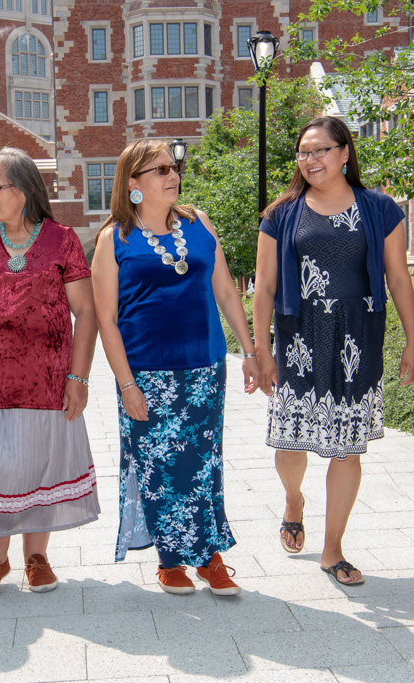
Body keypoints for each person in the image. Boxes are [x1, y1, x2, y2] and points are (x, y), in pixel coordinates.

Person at [252, 116, 414, 587]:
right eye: (303, 153)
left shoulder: (379, 208)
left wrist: (413, 338)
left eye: (320, 150)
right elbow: (263, 286)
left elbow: (398, 278)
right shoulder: (281, 214)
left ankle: (333, 549)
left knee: (346, 449)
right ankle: (293, 500)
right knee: (290, 445)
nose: (310, 160)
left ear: (345, 153)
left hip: (356, 338)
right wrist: (261, 347)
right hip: (298, 339)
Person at [93, 140, 259, 596]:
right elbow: (105, 318)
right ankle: (170, 560)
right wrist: (126, 383)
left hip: (205, 365)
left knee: (203, 464)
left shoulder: (197, 223)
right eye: (160, 169)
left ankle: (208, 556)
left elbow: (225, 291)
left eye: (174, 166)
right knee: (158, 466)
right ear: (133, 184)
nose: (173, 175)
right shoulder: (114, 239)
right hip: (146, 372)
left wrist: (248, 350)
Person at [0, 147, 100, 598]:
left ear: (25, 189)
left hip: (49, 382)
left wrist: (79, 378)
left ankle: (37, 556)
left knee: (40, 466)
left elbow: (86, 312)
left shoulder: (63, 240)